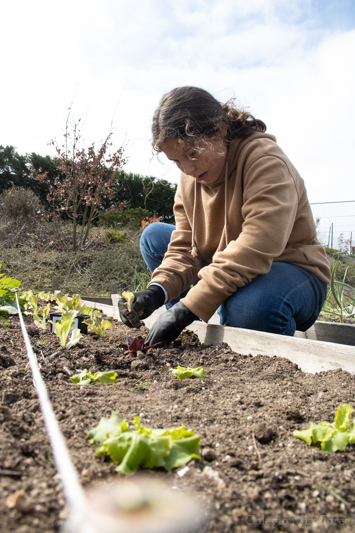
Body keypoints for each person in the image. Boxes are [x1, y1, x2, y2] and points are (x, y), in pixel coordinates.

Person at [118, 86, 331, 346]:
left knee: (249, 309)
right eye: (176, 161)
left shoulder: (264, 160)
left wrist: (187, 309)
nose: (187, 168)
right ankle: (196, 317)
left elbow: (255, 246)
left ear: (218, 131)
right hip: (231, 266)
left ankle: (220, 314)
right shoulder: (189, 178)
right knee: (154, 237)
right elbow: (185, 248)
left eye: (192, 153)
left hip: (290, 270)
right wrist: (156, 292)